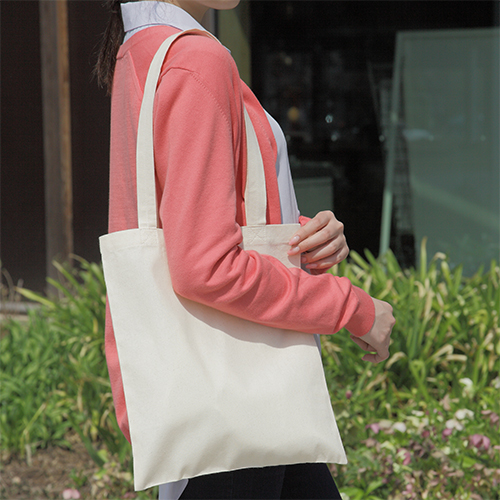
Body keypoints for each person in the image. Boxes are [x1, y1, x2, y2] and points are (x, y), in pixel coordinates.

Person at [95, 1, 396, 499]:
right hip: (239, 401)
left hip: (224, 398)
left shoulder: (139, 47)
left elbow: (186, 222)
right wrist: (351, 307)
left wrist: (299, 234)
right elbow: (206, 266)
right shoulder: (196, 58)